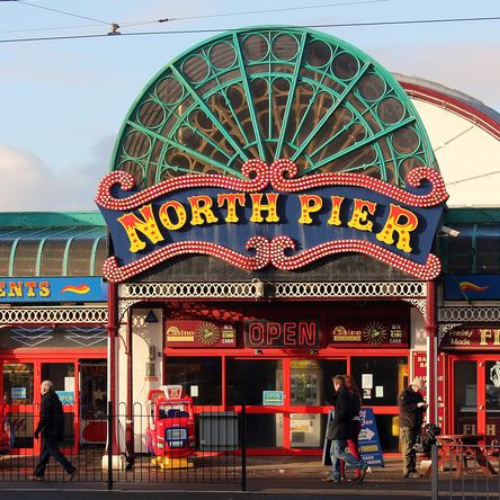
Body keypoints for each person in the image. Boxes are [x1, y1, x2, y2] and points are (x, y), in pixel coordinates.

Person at [323, 375, 368, 483]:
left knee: (338, 451)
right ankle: (336, 474)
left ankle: (361, 464)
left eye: (334, 385)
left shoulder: (343, 394)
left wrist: (336, 421)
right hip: (341, 426)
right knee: (333, 452)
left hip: (341, 427)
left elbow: (343, 412)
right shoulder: (345, 393)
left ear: (336, 384)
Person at [33, 380, 77, 481]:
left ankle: (71, 469)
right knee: (44, 453)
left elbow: (44, 417)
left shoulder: (46, 399)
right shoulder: (56, 399)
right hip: (55, 430)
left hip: (49, 431)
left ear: (44, 389)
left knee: (54, 452)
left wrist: (37, 430)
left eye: (41, 388)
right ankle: (39, 474)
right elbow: (60, 417)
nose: (40, 390)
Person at [398, 376, 427, 478]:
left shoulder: (418, 395)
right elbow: (403, 407)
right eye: (419, 388)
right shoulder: (404, 394)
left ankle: (413, 470)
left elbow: (419, 409)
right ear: (414, 385)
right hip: (407, 425)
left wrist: (424, 407)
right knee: (407, 447)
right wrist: (417, 405)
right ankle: (407, 471)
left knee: (414, 448)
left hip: (416, 424)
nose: (420, 390)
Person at [340, 374, 363, 481]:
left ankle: (341, 473)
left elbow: (345, 411)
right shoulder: (356, 394)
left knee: (339, 450)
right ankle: (358, 472)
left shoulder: (346, 394)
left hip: (347, 424)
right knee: (353, 449)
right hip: (356, 423)